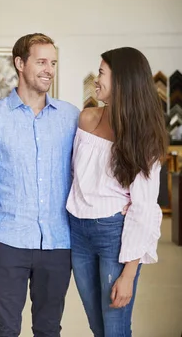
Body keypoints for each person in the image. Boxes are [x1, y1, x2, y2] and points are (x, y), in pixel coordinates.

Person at [0, 33, 80, 336]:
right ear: (19, 63)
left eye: (53, 63)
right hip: (6, 243)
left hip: (58, 243)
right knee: (4, 330)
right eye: (41, 61)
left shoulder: (70, 117)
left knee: (49, 329)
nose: (49, 69)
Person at [66, 47, 167, 336]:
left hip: (114, 236)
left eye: (101, 73)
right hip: (78, 232)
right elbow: (76, 175)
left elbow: (144, 208)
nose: (96, 79)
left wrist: (129, 272)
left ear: (121, 81)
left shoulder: (142, 137)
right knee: (97, 326)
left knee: (115, 328)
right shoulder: (85, 119)